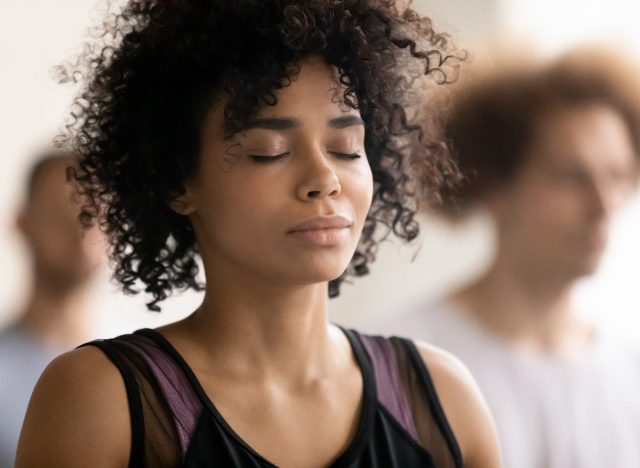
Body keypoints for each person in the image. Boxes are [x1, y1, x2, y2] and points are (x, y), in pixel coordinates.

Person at [16, 1, 501, 467]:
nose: (324, 180)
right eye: (269, 151)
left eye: (347, 148)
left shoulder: (443, 403)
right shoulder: (103, 404)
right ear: (176, 182)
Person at [384, 48, 640, 468]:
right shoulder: (403, 363)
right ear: (494, 187)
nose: (603, 205)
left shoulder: (630, 373)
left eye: (617, 175)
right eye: (570, 176)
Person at [0, 151, 103, 467]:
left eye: (93, 215)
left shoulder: (139, 370)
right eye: (61, 214)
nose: (80, 231)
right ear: (23, 223)